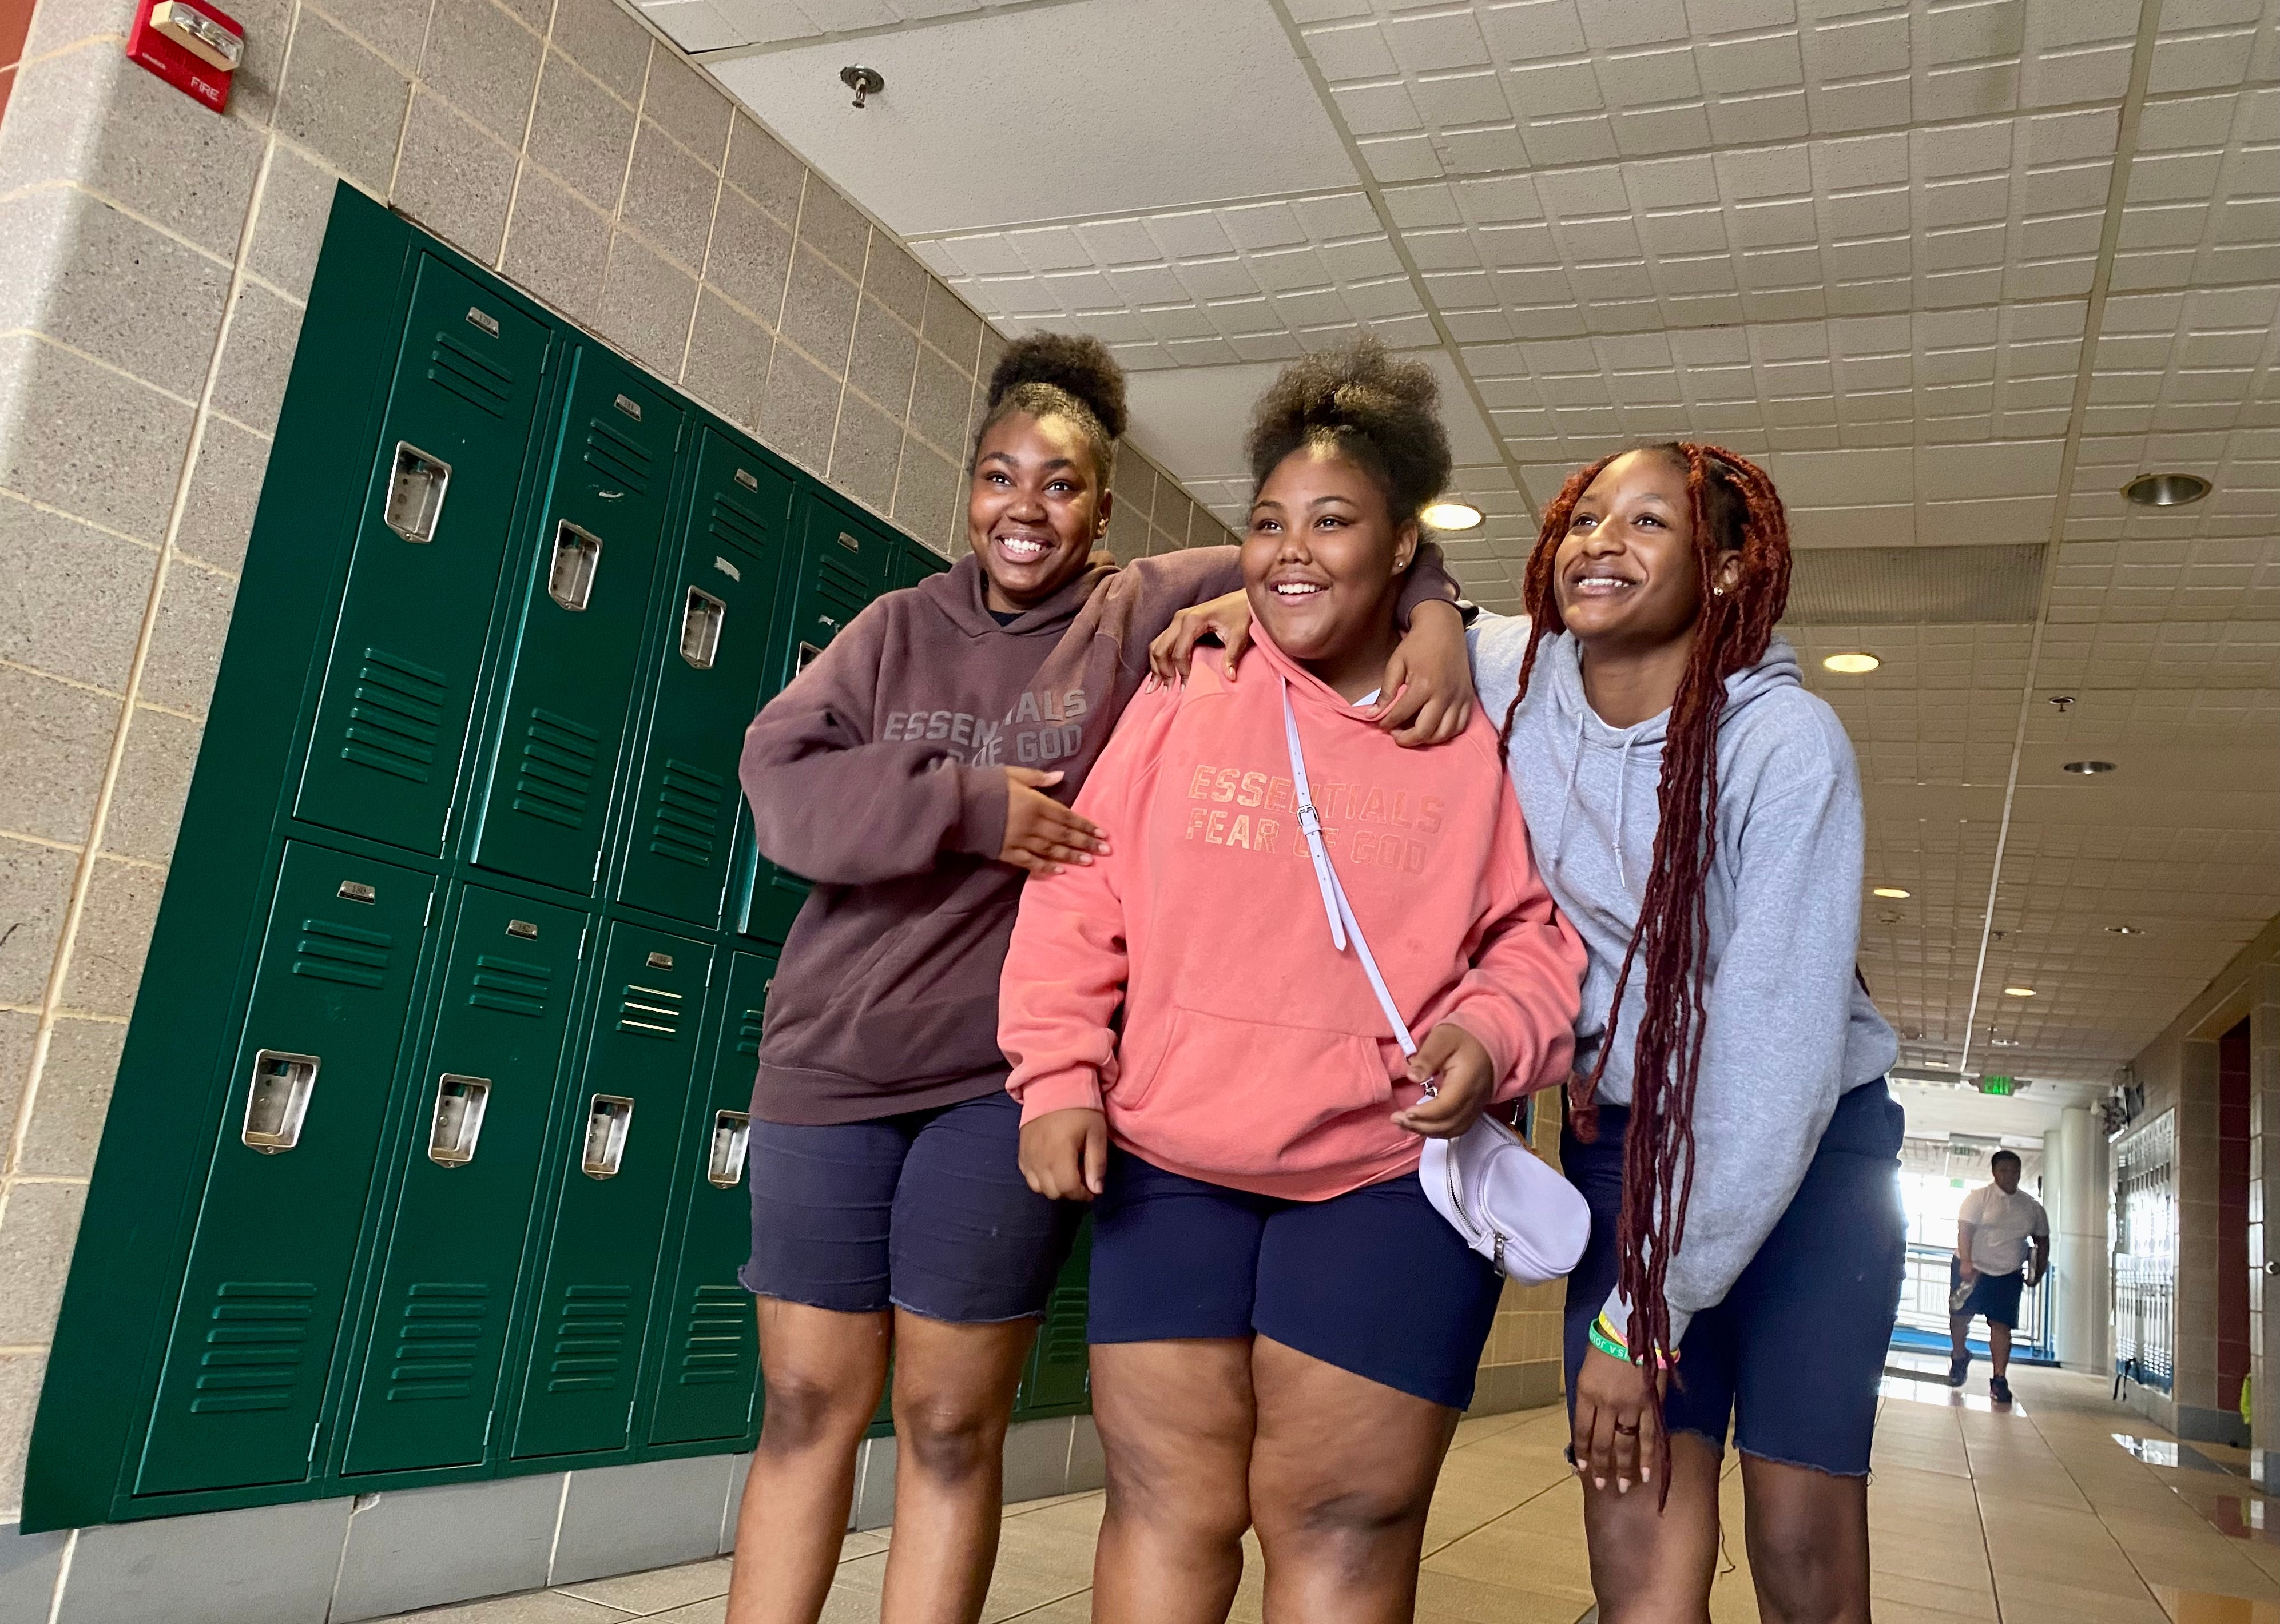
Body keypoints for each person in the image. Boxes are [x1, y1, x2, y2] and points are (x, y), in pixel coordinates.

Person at [728, 333, 1476, 1624]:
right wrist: (968, 805)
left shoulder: (1131, 614)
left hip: (993, 1077)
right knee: (803, 1402)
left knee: (950, 1418)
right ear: (968, 486)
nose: (1027, 510)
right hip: (828, 1059)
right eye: (1001, 478)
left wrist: (1437, 617)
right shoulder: (892, 629)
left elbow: (1325, 548)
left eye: (1061, 485)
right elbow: (780, 789)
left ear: (1103, 509)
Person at [999, 341, 1586, 1624]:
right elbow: (1080, 893)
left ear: (1400, 551)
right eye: (1267, 522)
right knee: (1165, 1502)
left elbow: (1532, 939)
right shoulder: (1186, 684)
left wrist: (1487, 1038)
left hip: (1381, 1179)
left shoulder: (1458, 715)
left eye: (1334, 522)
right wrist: (1056, 1075)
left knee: (1338, 1525)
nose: (1291, 552)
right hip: (1171, 1162)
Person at [1949, 1148, 2049, 1404]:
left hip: (2008, 1273)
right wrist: (1967, 1262)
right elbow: (1965, 1231)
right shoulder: (1978, 1199)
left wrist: (2039, 1271)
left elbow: (2042, 1241)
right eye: (2004, 1171)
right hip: (1973, 1268)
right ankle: (1959, 1355)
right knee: (1960, 1316)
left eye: (2014, 1171)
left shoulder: (2031, 1207)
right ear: (1994, 1172)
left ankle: (1999, 1380)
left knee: (2001, 1326)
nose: (2009, 1176)